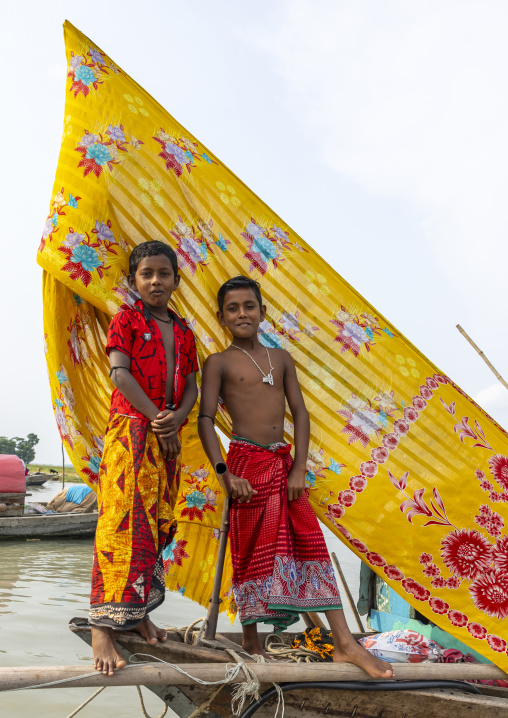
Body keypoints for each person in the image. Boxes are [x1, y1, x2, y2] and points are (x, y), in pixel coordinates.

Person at [198, 275, 393, 678]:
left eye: (249, 306)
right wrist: (224, 475)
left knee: (310, 544)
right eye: (232, 309)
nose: (242, 314)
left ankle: (344, 643)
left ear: (262, 311)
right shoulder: (217, 362)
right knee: (248, 549)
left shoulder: (280, 358)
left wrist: (300, 466)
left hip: (283, 465)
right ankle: (250, 639)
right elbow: (204, 419)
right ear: (220, 317)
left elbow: (300, 413)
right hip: (245, 466)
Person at [90, 241, 198, 676]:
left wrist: (176, 421)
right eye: (147, 274)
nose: (156, 281)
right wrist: (158, 419)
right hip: (133, 432)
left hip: (166, 437)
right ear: (134, 280)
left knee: (153, 528)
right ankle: (102, 625)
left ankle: (134, 616)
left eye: (164, 273)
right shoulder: (127, 319)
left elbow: (190, 383)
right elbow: (120, 372)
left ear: (176, 279)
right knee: (120, 526)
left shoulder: (185, 329)